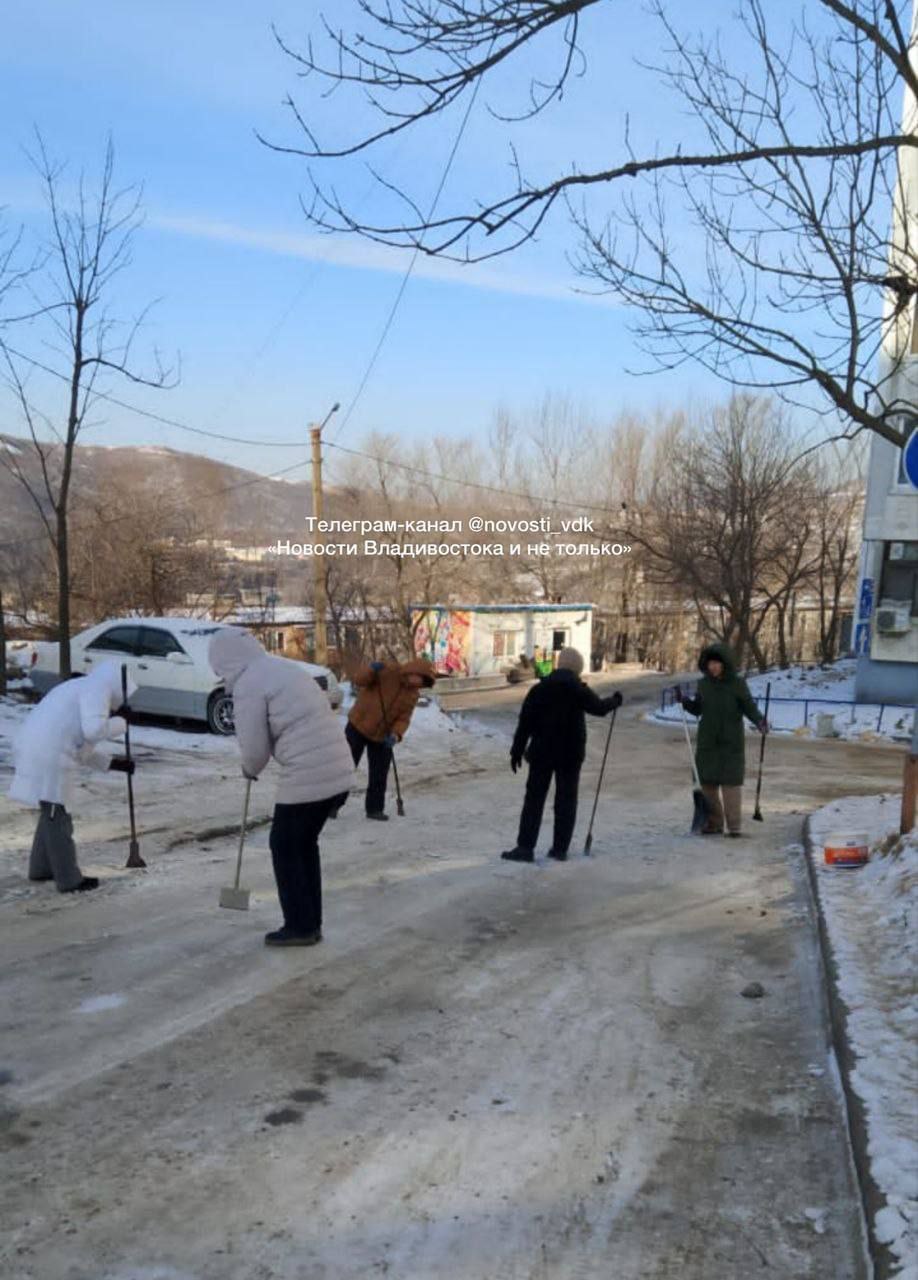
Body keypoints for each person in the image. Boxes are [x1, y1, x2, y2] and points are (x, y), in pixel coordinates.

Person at [208, 628, 353, 946]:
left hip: (310, 773)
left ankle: (300, 926)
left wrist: (249, 768)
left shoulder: (249, 684)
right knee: (302, 844)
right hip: (337, 766)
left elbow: (255, 748)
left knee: (284, 845)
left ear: (225, 662)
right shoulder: (282, 668)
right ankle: (310, 922)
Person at [9, 661, 136, 893]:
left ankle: (41, 868)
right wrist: (121, 721)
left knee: (50, 810)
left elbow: (80, 746)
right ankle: (69, 879)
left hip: (39, 749)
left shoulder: (80, 687)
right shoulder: (97, 688)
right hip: (49, 755)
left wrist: (114, 764)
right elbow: (94, 731)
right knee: (57, 815)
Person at [501, 647, 623, 863]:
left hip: (542, 752)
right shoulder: (578, 690)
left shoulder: (540, 689)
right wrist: (615, 700)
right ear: (577, 669)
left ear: (559, 665)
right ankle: (560, 849)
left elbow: (525, 722)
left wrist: (516, 751)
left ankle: (525, 848)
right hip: (570, 755)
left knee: (534, 799)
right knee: (566, 800)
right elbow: (599, 708)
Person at [675, 641, 768, 837]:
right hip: (708, 742)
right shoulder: (704, 685)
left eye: (717, 663)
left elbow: (749, 706)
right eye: (710, 663)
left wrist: (760, 721)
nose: (713, 667)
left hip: (730, 742)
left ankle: (734, 826)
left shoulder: (737, 684)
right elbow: (698, 709)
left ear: (725, 663)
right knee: (706, 783)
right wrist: (685, 702)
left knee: (730, 784)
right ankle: (714, 823)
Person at [345, 657, 437, 819]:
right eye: (420, 678)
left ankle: (374, 809)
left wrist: (395, 734)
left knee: (379, 774)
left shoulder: (412, 695)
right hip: (358, 725)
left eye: (423, 681)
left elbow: (403, 719)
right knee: (345, 768)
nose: (419, 683)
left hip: (383, 734)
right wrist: (371, 669)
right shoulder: (388, 671)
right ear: (413, 671)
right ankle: (331, 806)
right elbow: (359, 680)